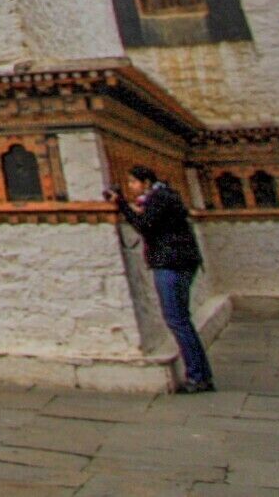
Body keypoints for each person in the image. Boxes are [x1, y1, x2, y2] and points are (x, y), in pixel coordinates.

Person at [110, 167, 212, 393]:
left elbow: (145, 225)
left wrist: (122, 205)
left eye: (133, 183)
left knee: (177, 320)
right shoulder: (165, 196)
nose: (131, 187)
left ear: (146, 182)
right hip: (181, 261)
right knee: (182, 320)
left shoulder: (160, 198)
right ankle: (201, 374)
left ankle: (197, 376)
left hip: (171, 263)